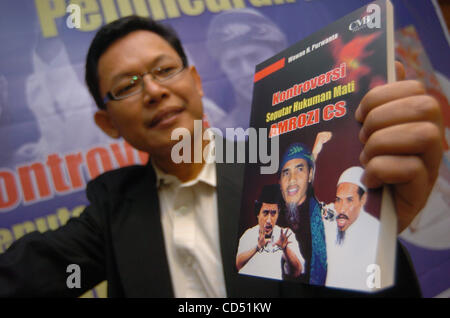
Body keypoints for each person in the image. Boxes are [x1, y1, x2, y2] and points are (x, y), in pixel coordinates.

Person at [0, 15, 443, 297]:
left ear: (195, 81)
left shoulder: (282, 165)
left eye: (164, 70)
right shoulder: (111, 210)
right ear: (108, 123)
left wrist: (370, 241)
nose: (153, 90)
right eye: (127, 85)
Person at [277, 142, 327, 285]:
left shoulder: (319, 219)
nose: (292, 179)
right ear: (280, 182)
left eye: (299, 170)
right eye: (286, 172)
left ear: (310, 175)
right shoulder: (271, 215)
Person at [323, 166, 380, 291]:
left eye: (349, 200)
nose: (342, 209)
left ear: (363, 199)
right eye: (338, 200)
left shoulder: (376, 231)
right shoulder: (330, 214)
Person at [236, 184, 304, 281]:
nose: (269, 220)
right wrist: (257, 247)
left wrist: (285, 249)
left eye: (273, 213)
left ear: (278, 213)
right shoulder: (248, 234)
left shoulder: (285, 235)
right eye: (265, 212)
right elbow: (238, 265)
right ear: (258, 214)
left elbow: (297, 271)